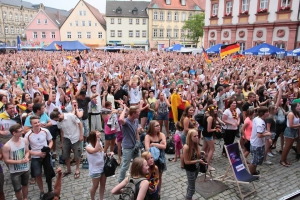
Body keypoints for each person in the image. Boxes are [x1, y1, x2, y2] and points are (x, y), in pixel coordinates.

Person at [24, 116, 53, 199]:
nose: (37, 124)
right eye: (35, 123)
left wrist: (48, 149)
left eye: (38, 122)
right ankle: (42, 191)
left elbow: (51, 141)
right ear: (31, 124)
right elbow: (27, 150)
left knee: (49, 173)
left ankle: (50, 189)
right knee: (38, 174)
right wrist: (38, 154)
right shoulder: (27, 135)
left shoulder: (45, 131)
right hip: (36, 157)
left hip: (46, 155)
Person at [50, 108, 83, 179]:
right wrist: (62, 142)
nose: (56, 121)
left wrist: (81, 135)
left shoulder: (70, 116)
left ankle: (77, 169)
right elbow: (62, 132)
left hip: (75, 137)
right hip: (66, 138)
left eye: (56, 119)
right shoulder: (59, 122)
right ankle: (68, 169)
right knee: (65, 154)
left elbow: (80, 124)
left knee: (77, 154)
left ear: (59, 116)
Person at [3, 124, 30, 200]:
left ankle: (25, 198)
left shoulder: (24, 140)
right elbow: (6, 160)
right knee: (17, 189)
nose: (22, 132)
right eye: (20, 131)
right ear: (14, 133)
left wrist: (26, 157)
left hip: (25, 168)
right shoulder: (7, 146)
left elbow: (27, 151)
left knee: (25, 184)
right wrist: (20, 161)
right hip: (15, 171)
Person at [86, 130, 114, 200]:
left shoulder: (100, 143)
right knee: (95, 186)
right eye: (98, 136)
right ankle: (93, 198)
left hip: (103, 168)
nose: (100, 137)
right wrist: (98, 139)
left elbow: (101, 154)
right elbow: (95, 150)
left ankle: (101, 198)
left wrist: (108, 154)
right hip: (95, 170)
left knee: (103, 185)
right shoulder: (88, 147)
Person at [118, 104, 141, 183]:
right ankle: (121, 181)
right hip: (127, 147)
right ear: (133, 114)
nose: (139, 113)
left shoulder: (136, 120)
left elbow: (137, 132)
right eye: (137, 112)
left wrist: (138, 142)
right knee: (125, 166)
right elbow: (121, 119)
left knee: (138, 163)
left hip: (135, 146)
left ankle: (136, 178)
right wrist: (124, 108)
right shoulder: (126, 122)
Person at [144, 120, 166, 196]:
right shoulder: (147, 136)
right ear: (152, 127)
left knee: (159, 176)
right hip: (151, 160)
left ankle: (158, 191)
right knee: (149, 175)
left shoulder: (162, 135)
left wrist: (153, 144)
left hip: (161, 159)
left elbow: (164, 146)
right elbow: (147, 149)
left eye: (159, 125)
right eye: (156, 126)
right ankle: (148, 190)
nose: (159, 127)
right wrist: (159, 144)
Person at [183, 129, 206, 200]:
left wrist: (201, 153)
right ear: (190, 137)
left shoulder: (195, 144)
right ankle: (188, 197)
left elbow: (195, 155)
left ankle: (188, 197)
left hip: (196, 167)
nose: (197, 137)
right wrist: (198, 161)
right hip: (190, 169)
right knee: (192, 188)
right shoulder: (186, 147)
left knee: (190, 185)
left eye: (197, 136)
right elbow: (186, 162)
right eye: (194, 136)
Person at [249, 106, 271, 175]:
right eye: (267, 112)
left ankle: (254, 171)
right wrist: (268, 133)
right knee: (254, 161)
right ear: (262, 113)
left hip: (256, 142)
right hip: (256, 144)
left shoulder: (257, 118)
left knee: (256, 160)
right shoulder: (260, 123)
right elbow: (259, 135)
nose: (268, 113)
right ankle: (251, 173)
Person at [280, 102, 300, 167]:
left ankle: (285, 159)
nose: (299, 107)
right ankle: (282, 160)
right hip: (290, 131)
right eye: (298, 106)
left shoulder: (296, 113)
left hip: (295, 131)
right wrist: (299, 125)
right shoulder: (291, 114)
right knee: (287, 146)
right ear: (294, 107)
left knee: (290, 146)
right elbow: (291, 125)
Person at [201, 104, 218, 171]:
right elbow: (209, 129)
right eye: (215, 109)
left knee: (204, 147)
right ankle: (207, 165)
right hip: (208, 134)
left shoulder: (206, 115)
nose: (216, 110)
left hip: (205, 133)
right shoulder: (210, 117)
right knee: (212, 149)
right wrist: (216, 129)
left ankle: (200, 160)